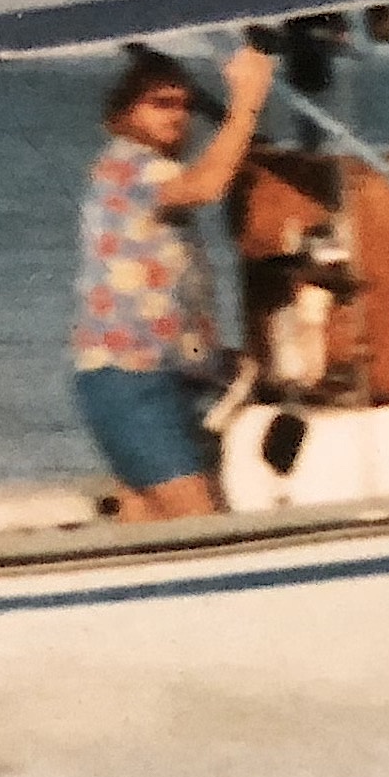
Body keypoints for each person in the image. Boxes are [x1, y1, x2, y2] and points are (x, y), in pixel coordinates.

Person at [71, 36, 277, 517]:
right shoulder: (129, 165)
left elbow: (161, 289)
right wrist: (246, 103)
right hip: (134, 380)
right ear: (125, 112)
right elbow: (207, 184)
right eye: (160, 103)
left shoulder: (150, 171)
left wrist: (220, 360)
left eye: (183, 105)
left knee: (146, 524)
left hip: (147, 377)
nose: (175, 115)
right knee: (202, 525)